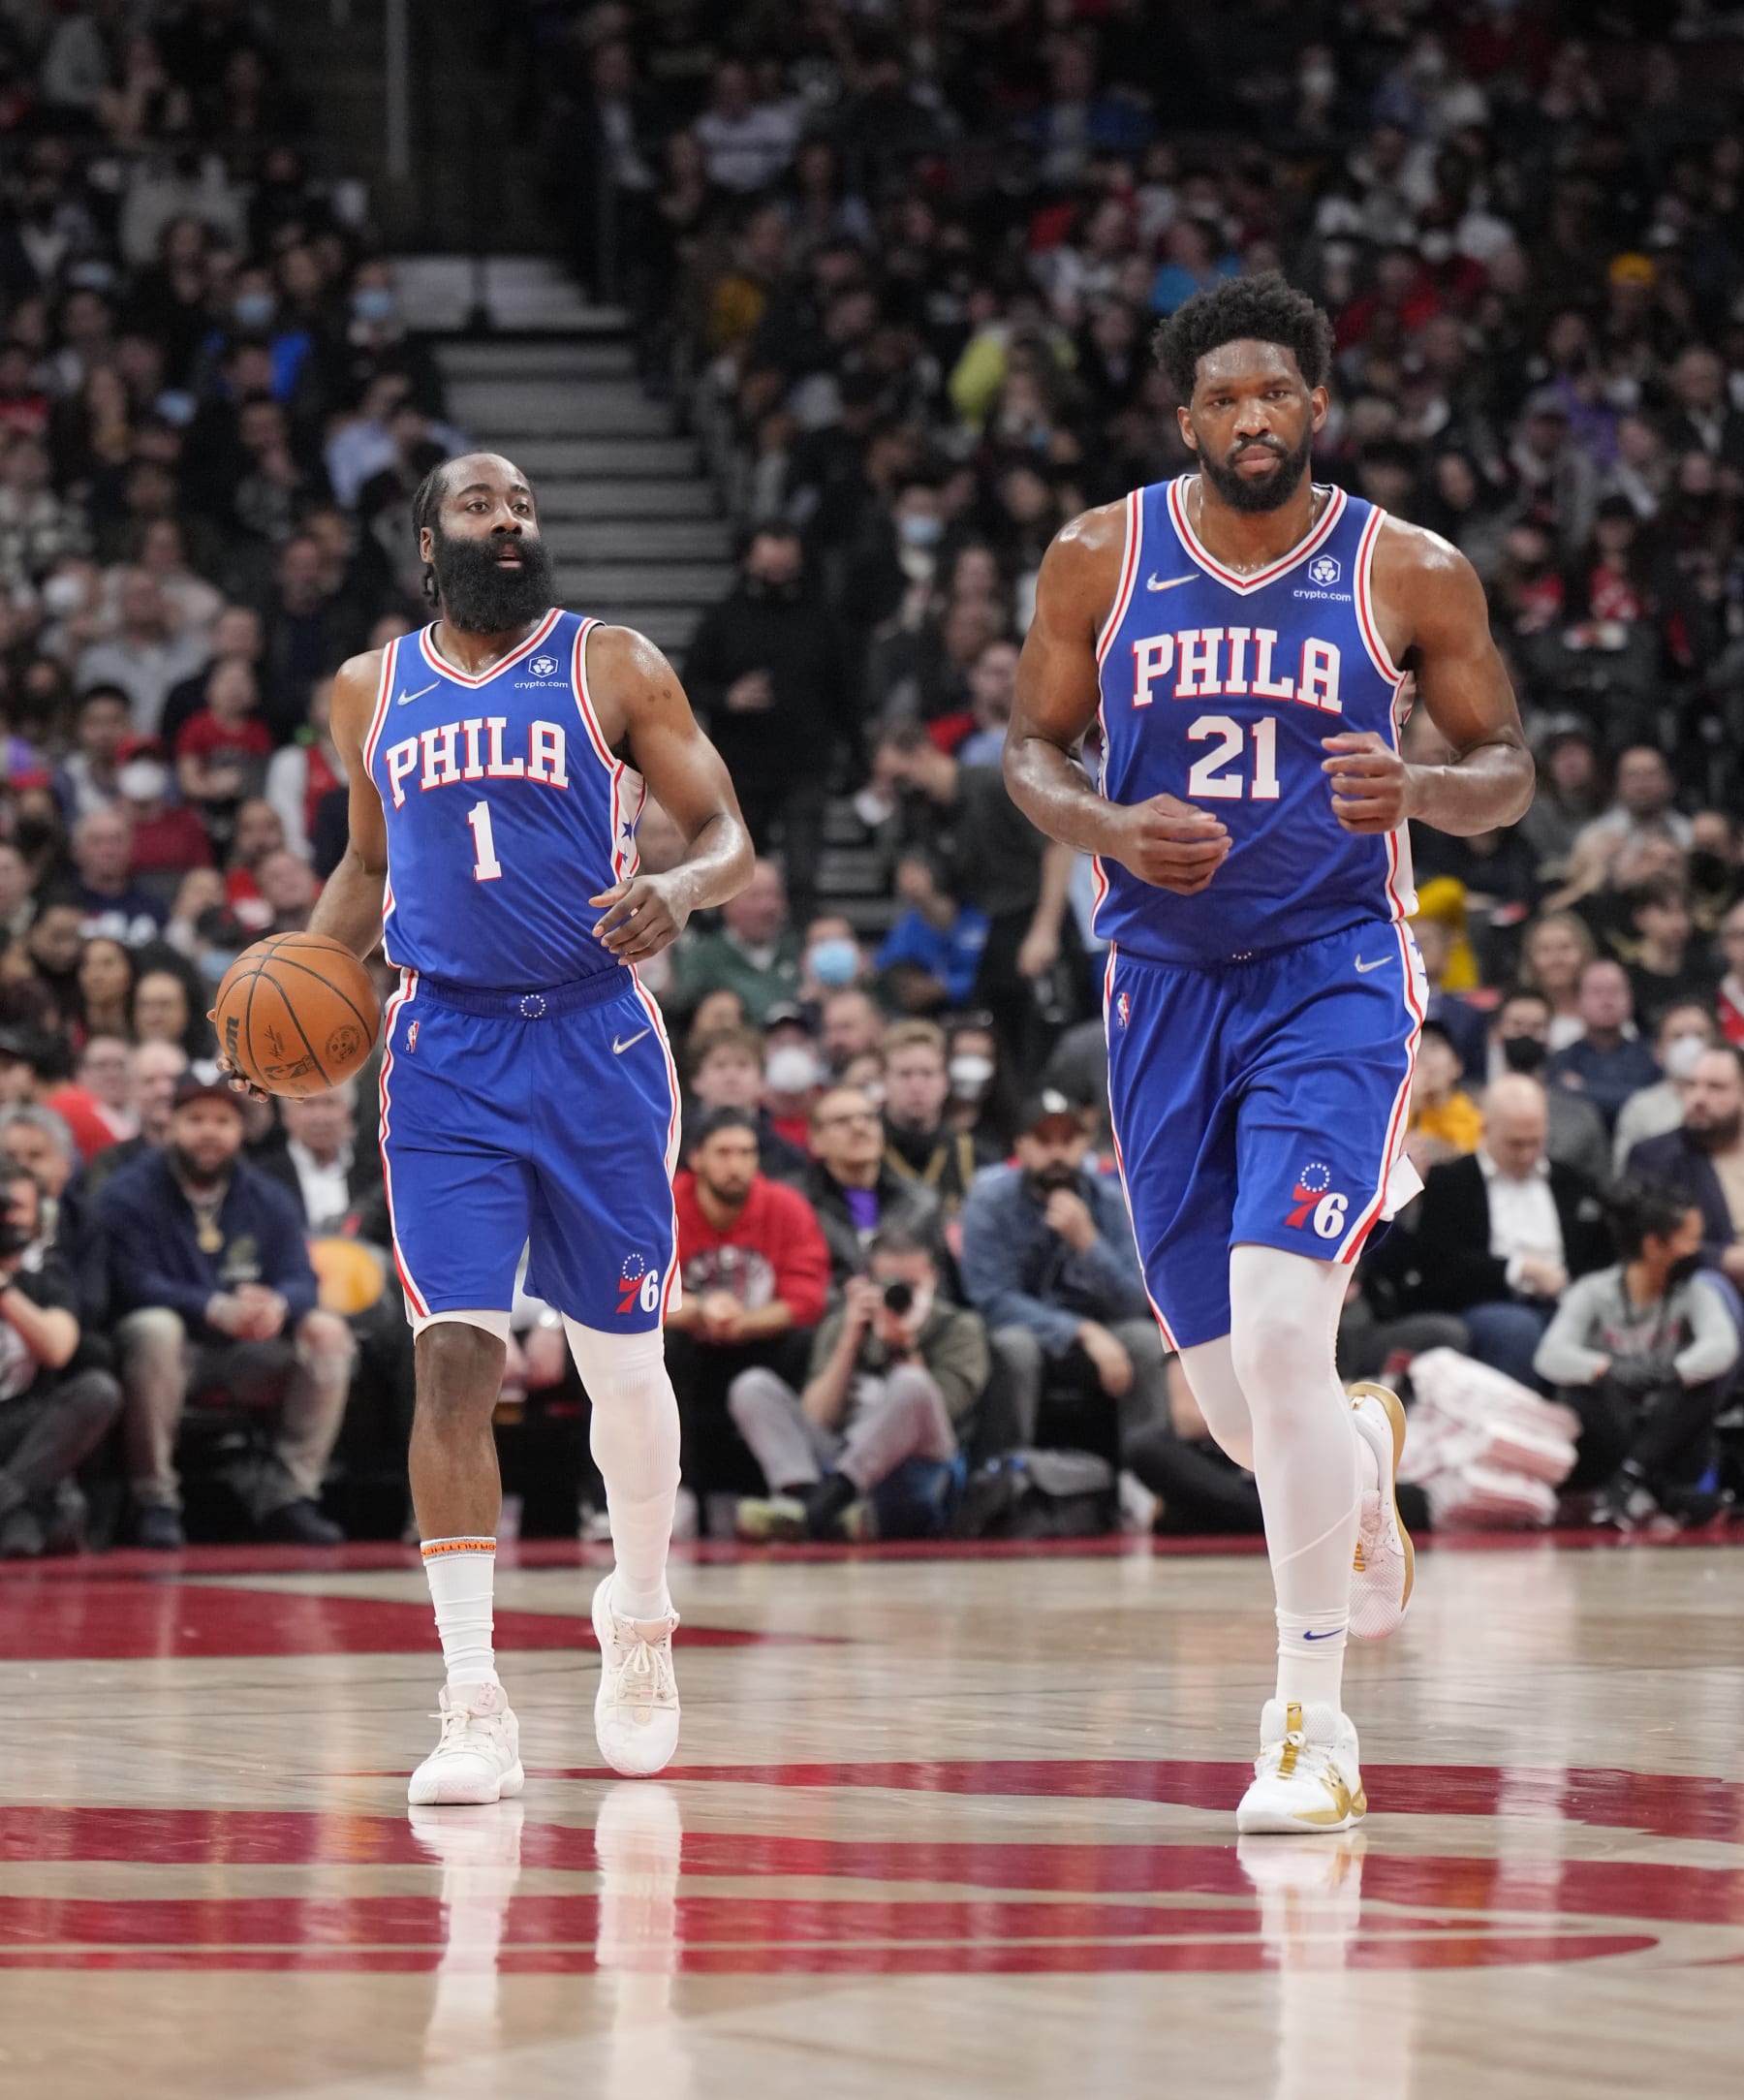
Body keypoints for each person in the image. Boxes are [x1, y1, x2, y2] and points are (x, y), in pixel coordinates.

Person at [1002, 274, 1537, 1833]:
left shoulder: (1408, 569)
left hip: (1333, 977)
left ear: (1316, 406)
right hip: (1162, 987)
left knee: (1285, 1335)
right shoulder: (1100, 555)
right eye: (1225, 398)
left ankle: (1309, 1722)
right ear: (1189, 419)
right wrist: (1107, 824)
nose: (1254, 418)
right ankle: (1362, 1447)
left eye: (1278, 395)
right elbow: (1031, 749)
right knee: (1239, 1410)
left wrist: (1422, 793)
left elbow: (1505, 768)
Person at [239, 450, 752, 1802]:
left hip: (597, 1037)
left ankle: (637, 1612)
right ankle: (472, 1698)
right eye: (480, 505)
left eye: (522, 505)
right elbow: (363, 865)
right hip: (446, 1050)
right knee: (453, 1361)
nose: (509, 521)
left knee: (623, 1367)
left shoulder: (615, 664)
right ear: (428, 544)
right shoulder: (369, 687)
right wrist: (280, 994)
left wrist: (683, 892)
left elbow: (725, 832)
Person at [101, 1074, 357, 1551]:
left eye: (222, 1120)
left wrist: (277, 1305)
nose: (209, 1131)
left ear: (242, 1130)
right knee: (155, 1327)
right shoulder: (129, 1192)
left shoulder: (267, 1197)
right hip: (171, 1356)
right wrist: (213, 1306)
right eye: (195, 1119)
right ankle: (155, 1498)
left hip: (247, 1354)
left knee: (327, 1331)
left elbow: (304, 1281)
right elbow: (131, 1280)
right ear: (170, 1126)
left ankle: (290, 1496)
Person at [731, 1226, 989, 1541]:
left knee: (912, 1382)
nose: (900, 1296)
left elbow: (939, 1412)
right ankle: (807, 1502)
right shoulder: (846, 1322)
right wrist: (849, 1342)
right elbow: (817, 1416)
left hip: (918, 1467)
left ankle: (826, 1504)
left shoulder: (961, 1328)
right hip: (840, 1454)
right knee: (752, 1386)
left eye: (911, 1285)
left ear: (933, 1277)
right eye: (889, 1285)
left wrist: (903, 1346)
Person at [959, 1088, 1167, 1461]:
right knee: (1014, 1347)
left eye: (1068, 1141)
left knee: (1145, 1341)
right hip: (1034, 1335)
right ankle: (1006, 1479)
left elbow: (1137, 1300)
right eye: (1043, 1141)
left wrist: (1088, 1242)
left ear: (1085, 1144)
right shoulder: (989, 1202)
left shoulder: (1110, 1201)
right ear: (1020, 1146)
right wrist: (1080, 1332)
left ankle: (1148, 1479)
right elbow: (991, 1299)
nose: (1057, 1153)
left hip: (1104, 1334)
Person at [1535, 1178, 1738, 1528]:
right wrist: (1606, 1367)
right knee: (1584, 1387)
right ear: (1654, 1246)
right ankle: (1656, 1491)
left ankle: (1627, 1486)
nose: (1698, 1250)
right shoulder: (1594, 1291)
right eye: (1689, 1240)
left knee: (1700, 1385)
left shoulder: (1696, 1290)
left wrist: (1674, 1370)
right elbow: (1549, 1356)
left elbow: (1724, 1345)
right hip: (1613, 1430)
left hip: (1671, 1427)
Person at [666, 1106, 830, 1515]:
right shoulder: (662, 1205)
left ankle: (805, 1483)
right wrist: (701, 1309)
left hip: (759, 1340)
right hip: (690, 1342)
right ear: (697, 1158)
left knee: (809, 1341)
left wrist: (744, 1322)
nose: (736, 1165)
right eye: (724, 1153)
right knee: (657, 1347)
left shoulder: (786, 1206)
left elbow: (807, 1298)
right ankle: (672, 1492)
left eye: (746, 1153)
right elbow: (636, 1290)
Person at [1396, 1074, 1610, 1384]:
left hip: (1568, 1301)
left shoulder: (1573, 1184)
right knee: (1517, 1329)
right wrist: (1518, 1269)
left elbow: (1600, 1255)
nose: (1526, 1154)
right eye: (1515, 1144)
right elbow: (1438, 1267)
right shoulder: (1450, 1182)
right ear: (1485, 1130)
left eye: (1535, 1142)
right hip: (1490, 1303)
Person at [0, 1164, 122, 1558]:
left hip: (23, 1427)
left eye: (16, 1207)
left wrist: (3, 1289)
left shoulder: (48, 1276)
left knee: (97, 1392)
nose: (6, 1217)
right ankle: (20, 1512)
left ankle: (11, 1504)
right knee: (43, 1529)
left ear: (39, 1215)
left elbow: (57, 1347)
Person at [1626, 1045, 1744, 1290]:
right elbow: (1646, 1239)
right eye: (1691, 1086)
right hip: (1705, 1290)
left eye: (1716, 1087)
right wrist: (1723, 1258)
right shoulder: (1654, 1156)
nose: (1698, 1098)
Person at [805, 1082, 945, 1288]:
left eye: (869, 1118)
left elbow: (942, 1284)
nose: (860, 1127)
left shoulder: (921, 1202)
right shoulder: (798, 1204)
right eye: (842, 1121)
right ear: (815, 1140)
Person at [1488, 987, 1610, 1187]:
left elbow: (1599, 1185)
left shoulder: (1581, 1117)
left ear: (1550, 1036)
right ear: (1496, 1034)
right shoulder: (1472, 1109)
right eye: (1517, 1025)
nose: (1526, 1034)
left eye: (1537, 1027)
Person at [880, 1019, 985, 1219]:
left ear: (946, 1080)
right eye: (904, 1074)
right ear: (884, 1080)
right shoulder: (865, 1147)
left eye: (927, 1074)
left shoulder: (969, 1153)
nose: (917, 1086)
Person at [1545, 959, 1661, 1133]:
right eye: (1597, 992)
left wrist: (1583, 1088)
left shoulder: (1651, 1056)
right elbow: (1565, 1108)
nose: (1607, 1001)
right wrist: (1632, 1093)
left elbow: (1655, 1105)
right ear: (1578, 1001)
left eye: (1615, 991)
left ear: (1630, 999)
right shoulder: (1562, 1059)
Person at [1612, 1001, 1716, 1174]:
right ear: (1658, 1051)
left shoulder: (1737, 1100)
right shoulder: (1640, 1108)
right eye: (1678, 1036)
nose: (1690, 1045)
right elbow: (1624, 1176)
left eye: (1699, 1035)